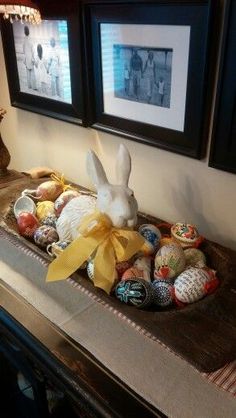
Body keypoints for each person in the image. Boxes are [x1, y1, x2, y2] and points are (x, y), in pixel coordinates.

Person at [23, 25, 36, 90]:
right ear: (29, 32)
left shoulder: (24, 39)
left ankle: (29, 86)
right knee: (32, 72)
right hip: (31, 58)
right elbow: (33, 50)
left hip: (26, 58)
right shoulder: (30, 39)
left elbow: (23, 50)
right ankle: (34, 87)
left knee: (28, 72)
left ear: (24, 32)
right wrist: (33, 58)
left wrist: (25, 58)